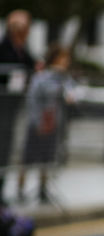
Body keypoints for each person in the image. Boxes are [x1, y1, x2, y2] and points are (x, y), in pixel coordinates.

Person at [15, 45, 76, 203]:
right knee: (28, 157)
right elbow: (33, 100)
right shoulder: (42, 77)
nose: (65, 62)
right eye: (62, 59)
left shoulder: (64, 79)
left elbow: (72, 93)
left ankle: (43, 189)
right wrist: (38, 122)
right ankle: (20, 189)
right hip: (38, 122)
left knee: (47, 156)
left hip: (54, 121)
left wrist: (70, 93)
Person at [0, 10, 39, 204]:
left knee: (6, 150)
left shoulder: (22, 49)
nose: (24, 31)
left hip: (13, 107)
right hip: (3, 106)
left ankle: (1, 189)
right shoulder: (4, 47)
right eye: (20, 27)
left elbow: (33, 66)